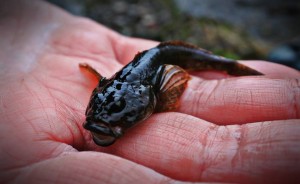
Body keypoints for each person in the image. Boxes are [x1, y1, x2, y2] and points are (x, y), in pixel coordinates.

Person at [0, 1, 299, 183]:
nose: (100, 124)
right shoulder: (116, 91)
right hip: (144, 71)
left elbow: (169, 78)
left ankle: (237, 66)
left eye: (120, 117)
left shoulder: (146, 85)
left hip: (161, 58)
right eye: (99, 113)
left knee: (219, 64)